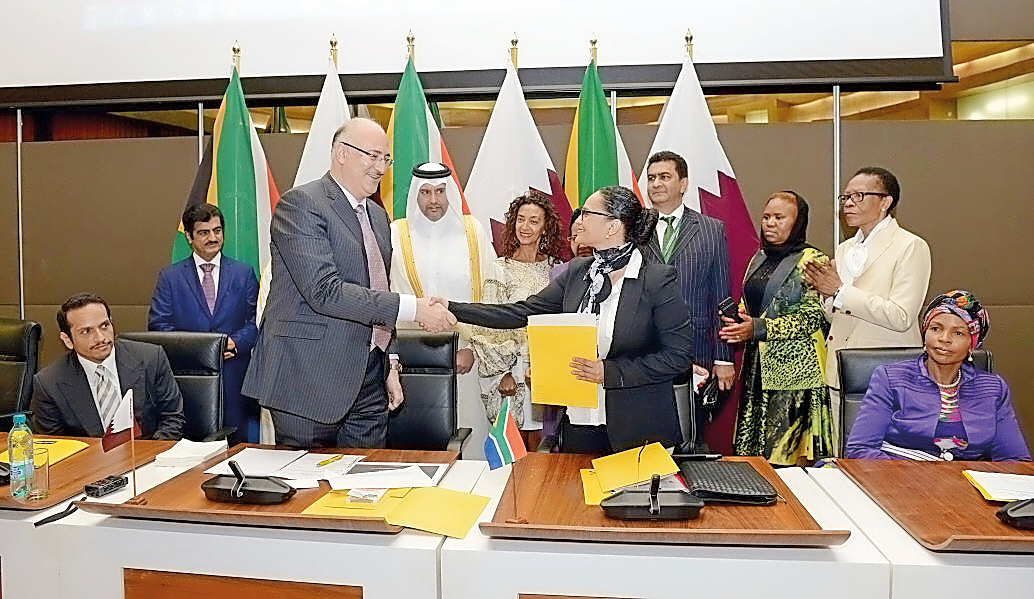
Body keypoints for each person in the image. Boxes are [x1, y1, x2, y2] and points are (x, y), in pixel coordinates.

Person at [241, 118, 455, 449]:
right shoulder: (301, 205)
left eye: (386, 158)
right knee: (307, 479)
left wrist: (390, 362)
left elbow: (377, 290)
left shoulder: (378, 217)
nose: (381, 167)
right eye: (373, 156)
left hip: (369, 380)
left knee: (364, 478)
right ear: (342, 153)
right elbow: (324, 291)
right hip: (307, 379)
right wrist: (415, 309)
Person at [441, 185, 693, 453]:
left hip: (639, 428)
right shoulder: (578, 272)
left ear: (612, 227)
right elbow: (520, 312)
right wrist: (451, 308)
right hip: (580, 423)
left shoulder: (656, 280)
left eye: (587, 213)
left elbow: (679, 356)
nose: (579, 220)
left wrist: (610, 372)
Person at [803, 166, 932, 450]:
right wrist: (826, 294)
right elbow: (837, 315)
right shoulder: (844, 249)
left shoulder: (910, 246)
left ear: (885, 202)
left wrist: (839, 290)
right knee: (843, 454)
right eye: (845, 197)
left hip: (888, 371)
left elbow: (901, 316)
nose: (848, 203)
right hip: (840, 370)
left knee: (885, 458)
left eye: (858, 196)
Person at [388, 162, 497, 456]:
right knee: (416, 443)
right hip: (412, 360)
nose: (433, 200)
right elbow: (385, 295)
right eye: (425, 192)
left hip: (465, 356)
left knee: (469, 437)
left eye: (440, 191)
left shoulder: (472, 232)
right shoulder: (397, 234)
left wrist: (473, 349)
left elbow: (490, 295)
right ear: (415, 195)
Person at [846, 290, 1030, 461]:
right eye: (936, 329)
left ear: (972, 344)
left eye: (958, 333)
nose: (944, 339)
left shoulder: (993, 389)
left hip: (964, 482)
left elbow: (1015, 460)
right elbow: (860, 449)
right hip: (896, 477)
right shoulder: (890, 378)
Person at [720, 192, 833, 465]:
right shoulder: (759, 257)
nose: (770, 223)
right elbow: (750, 303)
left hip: (796, 375)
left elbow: (813, 318)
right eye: (767, 217)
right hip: (757, 368)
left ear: (798, 222)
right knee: (755, 461)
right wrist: (739, 320)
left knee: (787, 461)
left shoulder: (813, 260)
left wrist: (759, 328)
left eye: (780, 218)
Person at [642, 150, 734, 450]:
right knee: (644, 439)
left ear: (683, 184)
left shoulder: (711, 230)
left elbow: (722, 297)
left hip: (695, 354)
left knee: (688, 439)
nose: (656, 183)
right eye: (651, 178)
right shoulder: (634, 229)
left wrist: (723, 358)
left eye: (664, 177)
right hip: (642, 353)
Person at [148, 203, 259, 444]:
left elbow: (257, 320)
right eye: (204, 232)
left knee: (238, 446)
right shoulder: (170, 277)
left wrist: (236, 342)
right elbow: (159, 325)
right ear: (189, 237)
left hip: (235, 378)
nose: (213, 238)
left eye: (217, 231)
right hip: (190, 380)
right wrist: (199, 350)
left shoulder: (243, 273)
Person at [468, 190, 564, 448]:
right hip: (513, 374)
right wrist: (503, 374)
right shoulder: (500, 268)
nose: (525, 227)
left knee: (545, 449)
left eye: (534, 221)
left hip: (547, 373)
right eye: (521, 219)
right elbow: (488, 323)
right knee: (514, 450)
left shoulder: (557, 268)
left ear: (545, 227)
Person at [30, 293, 184, 440]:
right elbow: (56, 444)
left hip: (149, 454)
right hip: (88, 458)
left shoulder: (151, 358)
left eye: (104, 326)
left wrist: (149, 455)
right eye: (86, 331)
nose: (100, 338)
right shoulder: (49, 384)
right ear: (67, 340)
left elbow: (172, 419)